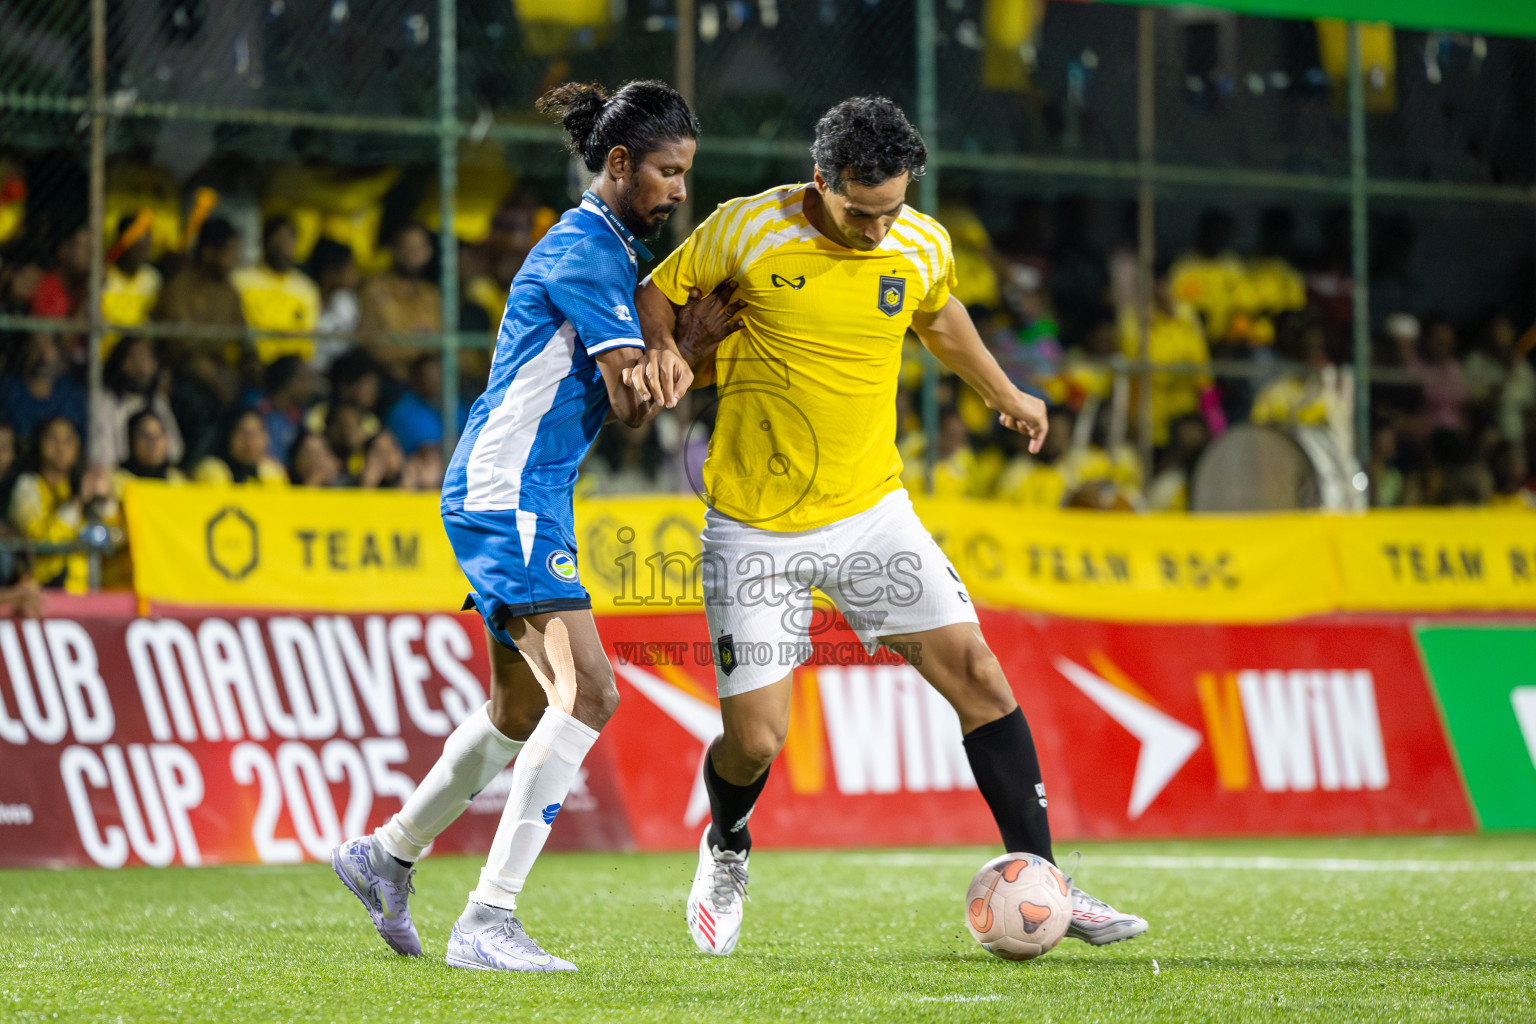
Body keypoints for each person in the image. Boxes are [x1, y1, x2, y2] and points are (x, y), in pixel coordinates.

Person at [635, 95, 1147, 957]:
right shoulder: (745, 230)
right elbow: (659, 291)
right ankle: (726, 845)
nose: (879, 232)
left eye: (893, 210)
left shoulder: (919, 240)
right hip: (755, 529)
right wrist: (660, 350)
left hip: (873, 512)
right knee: (755, 741)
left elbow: (938, 314)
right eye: (862, 214)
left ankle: (1046, 876)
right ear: (822, 179)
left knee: (980, 675)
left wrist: (1005, 391)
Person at [329, 79, 727, 973]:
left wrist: (675, 348)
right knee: (589, 692)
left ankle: (386, 855)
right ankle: (488, 921)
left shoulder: (612, 247)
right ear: (619, 164)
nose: (678, 190)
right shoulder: (587, 252)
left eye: (686, 174)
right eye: (667, 171)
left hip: (519, 489)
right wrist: (688, 350)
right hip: (508, 491)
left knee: (518, 708)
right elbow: (632, 406)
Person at [8, 417, 112, 589]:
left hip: (87, 592)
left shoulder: (83, 484)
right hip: (43, 592)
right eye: (53, 439)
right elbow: (40, 542)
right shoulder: (27, 485)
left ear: (78, 446)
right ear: (39, 443)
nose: (60, 447)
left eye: (67, 440)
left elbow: (115, 539)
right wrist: (78, 500)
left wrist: (106, 501)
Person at [232, 216, 321, 364]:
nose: (283, 247)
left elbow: (308, 341)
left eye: (289, 239)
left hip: (290, 367)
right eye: (277, 239)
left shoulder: (306, 288)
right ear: (264, 242)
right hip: (250, 362)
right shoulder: (241, 280)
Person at [90, 335, 184, 471]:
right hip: (119, 475)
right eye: (132, 357)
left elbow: (175, 450)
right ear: (119, 362)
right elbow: (104, 457)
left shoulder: (158, 401)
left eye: (146, 356)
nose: (141, 365)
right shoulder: (106, 401)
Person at [193, 409, 288, 485]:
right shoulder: (210, 470)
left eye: (255, 434)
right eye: (244, 433)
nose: (250, 442)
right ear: (229, 436)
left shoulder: (271, 475)